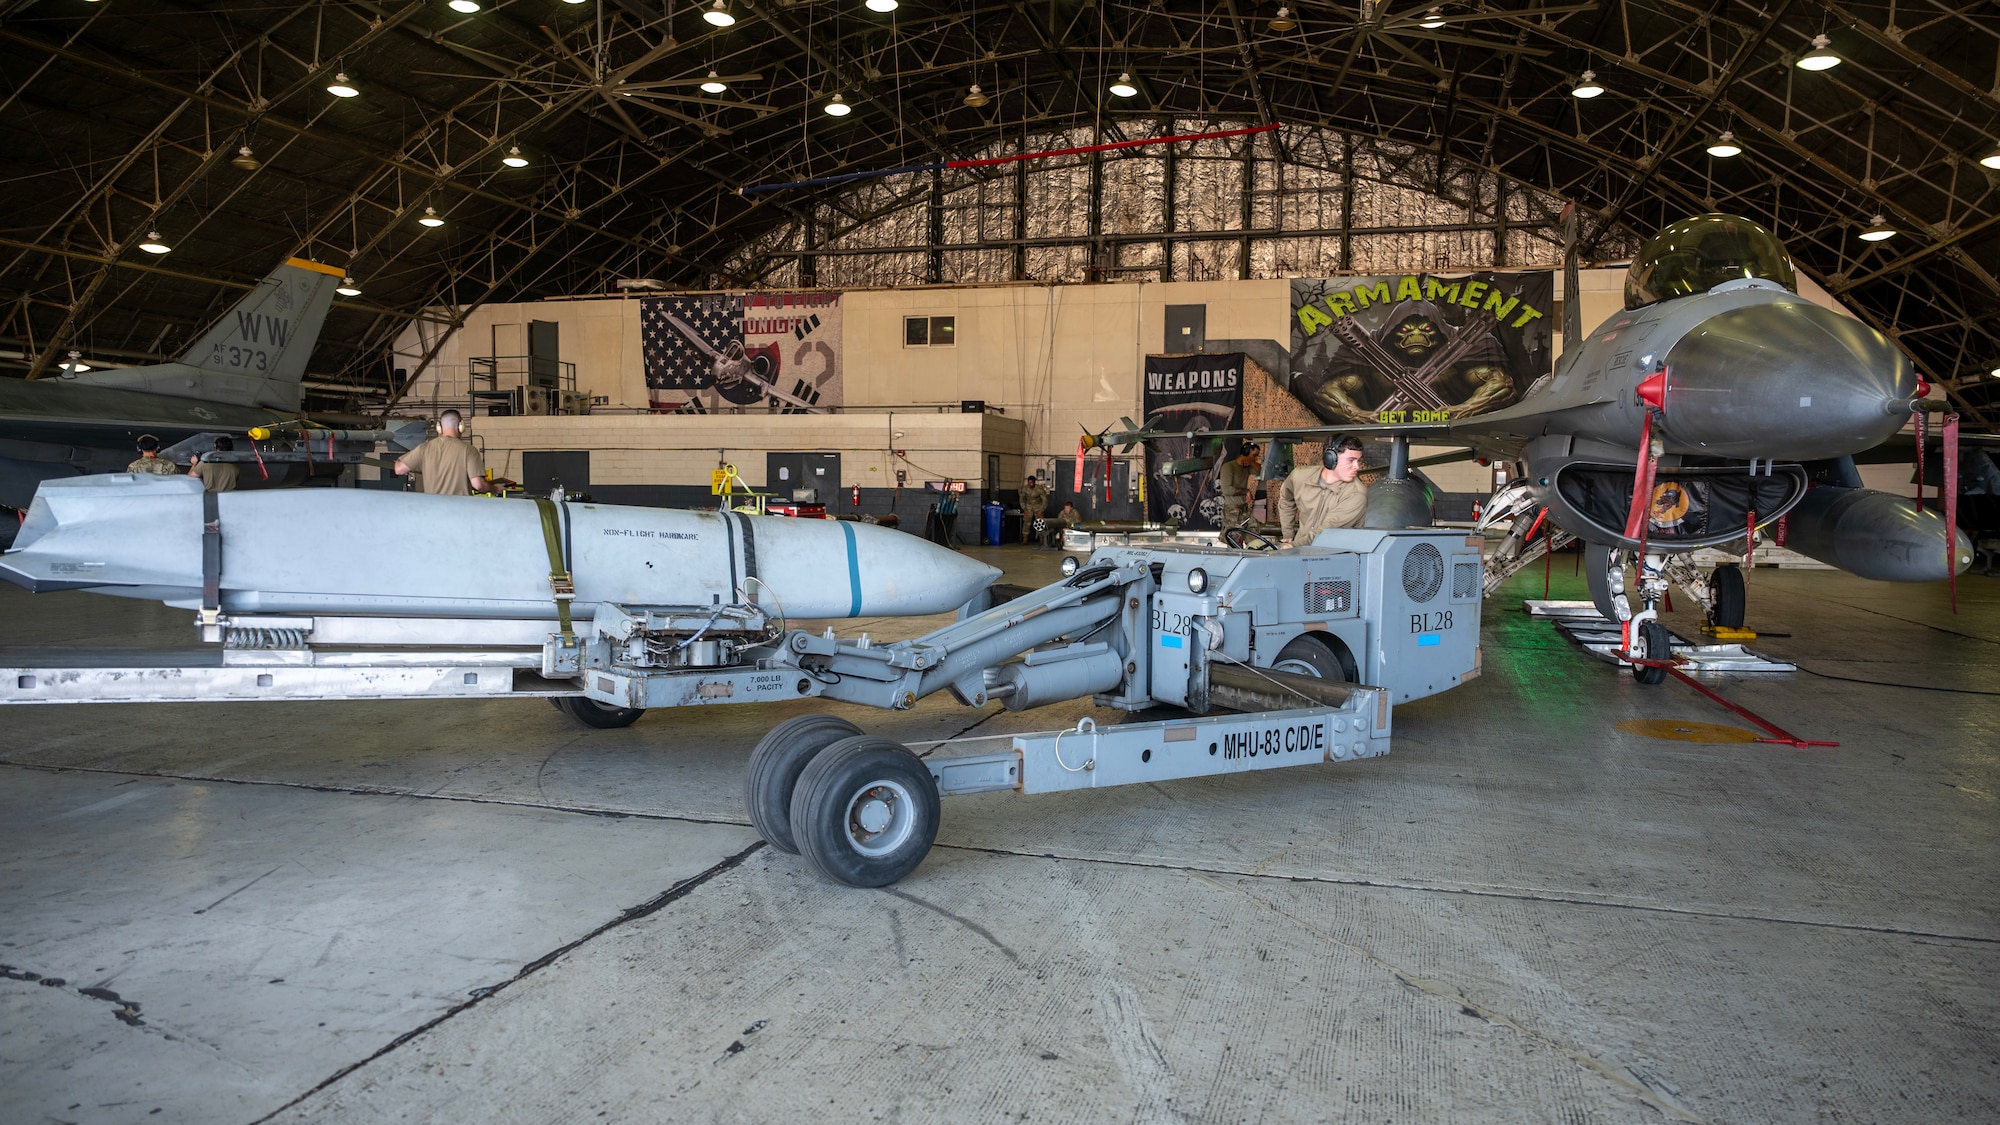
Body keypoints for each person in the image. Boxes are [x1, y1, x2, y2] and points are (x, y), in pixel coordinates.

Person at [1279, 436, 1369, 547]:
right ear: (1330, 458)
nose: (1357, 466)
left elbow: (1326, 532)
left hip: (1334, 557)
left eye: (1358, 461)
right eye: (1351, 460)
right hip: (1300, 552)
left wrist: (1294, 546)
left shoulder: (1356, 494)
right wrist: (1288, 534)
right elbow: (1286, 499)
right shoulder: (1299, 477)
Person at [394, 409, 490, 496]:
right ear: (461, 426)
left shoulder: (424, 448)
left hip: (435, 511)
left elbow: (399, 469)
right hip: (460, 511)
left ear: (439, 427)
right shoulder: (469, 450)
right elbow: (478, 485)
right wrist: (494, 489)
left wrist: (401, 461)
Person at [1217, 442, 1262, 528]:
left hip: (1243, 507)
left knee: (1253, 529)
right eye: (1254, 455)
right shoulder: (1229, 467)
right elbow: (1227, 490)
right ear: (1246, 453)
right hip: (1232, 509)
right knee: (1233, 536)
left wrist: (1251, 462)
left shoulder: (1247, 467)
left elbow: (1262, 471)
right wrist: (1246, 491)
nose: (1256, 458)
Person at [1019, 472, 1050, 543]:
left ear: (1034, 482)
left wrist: (1041, 510)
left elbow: (1044, 500)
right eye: (1029, 482)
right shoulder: (1025, 489)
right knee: (1026, 523)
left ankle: (1041, 538)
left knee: (1040, 523)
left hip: (1038, 507)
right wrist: (1024, 509)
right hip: (1028, 507)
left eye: (1032, 483)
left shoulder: (1039, 489)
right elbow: (1022, 499)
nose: (1030, 484)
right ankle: (1025, 538)